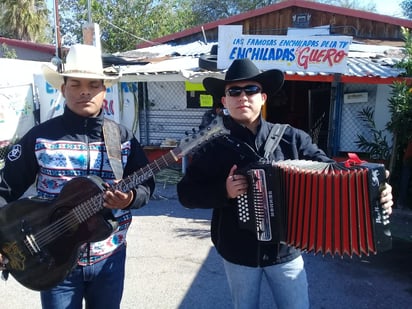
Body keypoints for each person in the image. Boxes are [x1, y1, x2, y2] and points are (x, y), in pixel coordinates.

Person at [177, 58, 393, 309]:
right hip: (238, 253)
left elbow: (336, 176)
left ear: (263, 98)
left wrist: (374, 193)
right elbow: (186, 193)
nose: (242, 96)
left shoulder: (292, 138)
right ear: (225, 101)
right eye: (234, 91)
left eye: (251, 90)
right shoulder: (213, 147)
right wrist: (223, 191)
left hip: (286, 251)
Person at [0, 44, 155, 309]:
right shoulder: (39, 137)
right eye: (76, 85)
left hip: (110, 259)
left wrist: (128, 199)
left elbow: (146, 186)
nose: (85, 91)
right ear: (63, 89)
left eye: (94, 84)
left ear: (104, 89)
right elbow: (4, 189)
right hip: (51, 261)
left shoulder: (123, 138)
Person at [397, 140, 412, 209]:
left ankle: (401, 203)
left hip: (408, 159)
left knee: (404, 181)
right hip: (408, 160)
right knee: (404, 182)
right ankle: (401, 203)